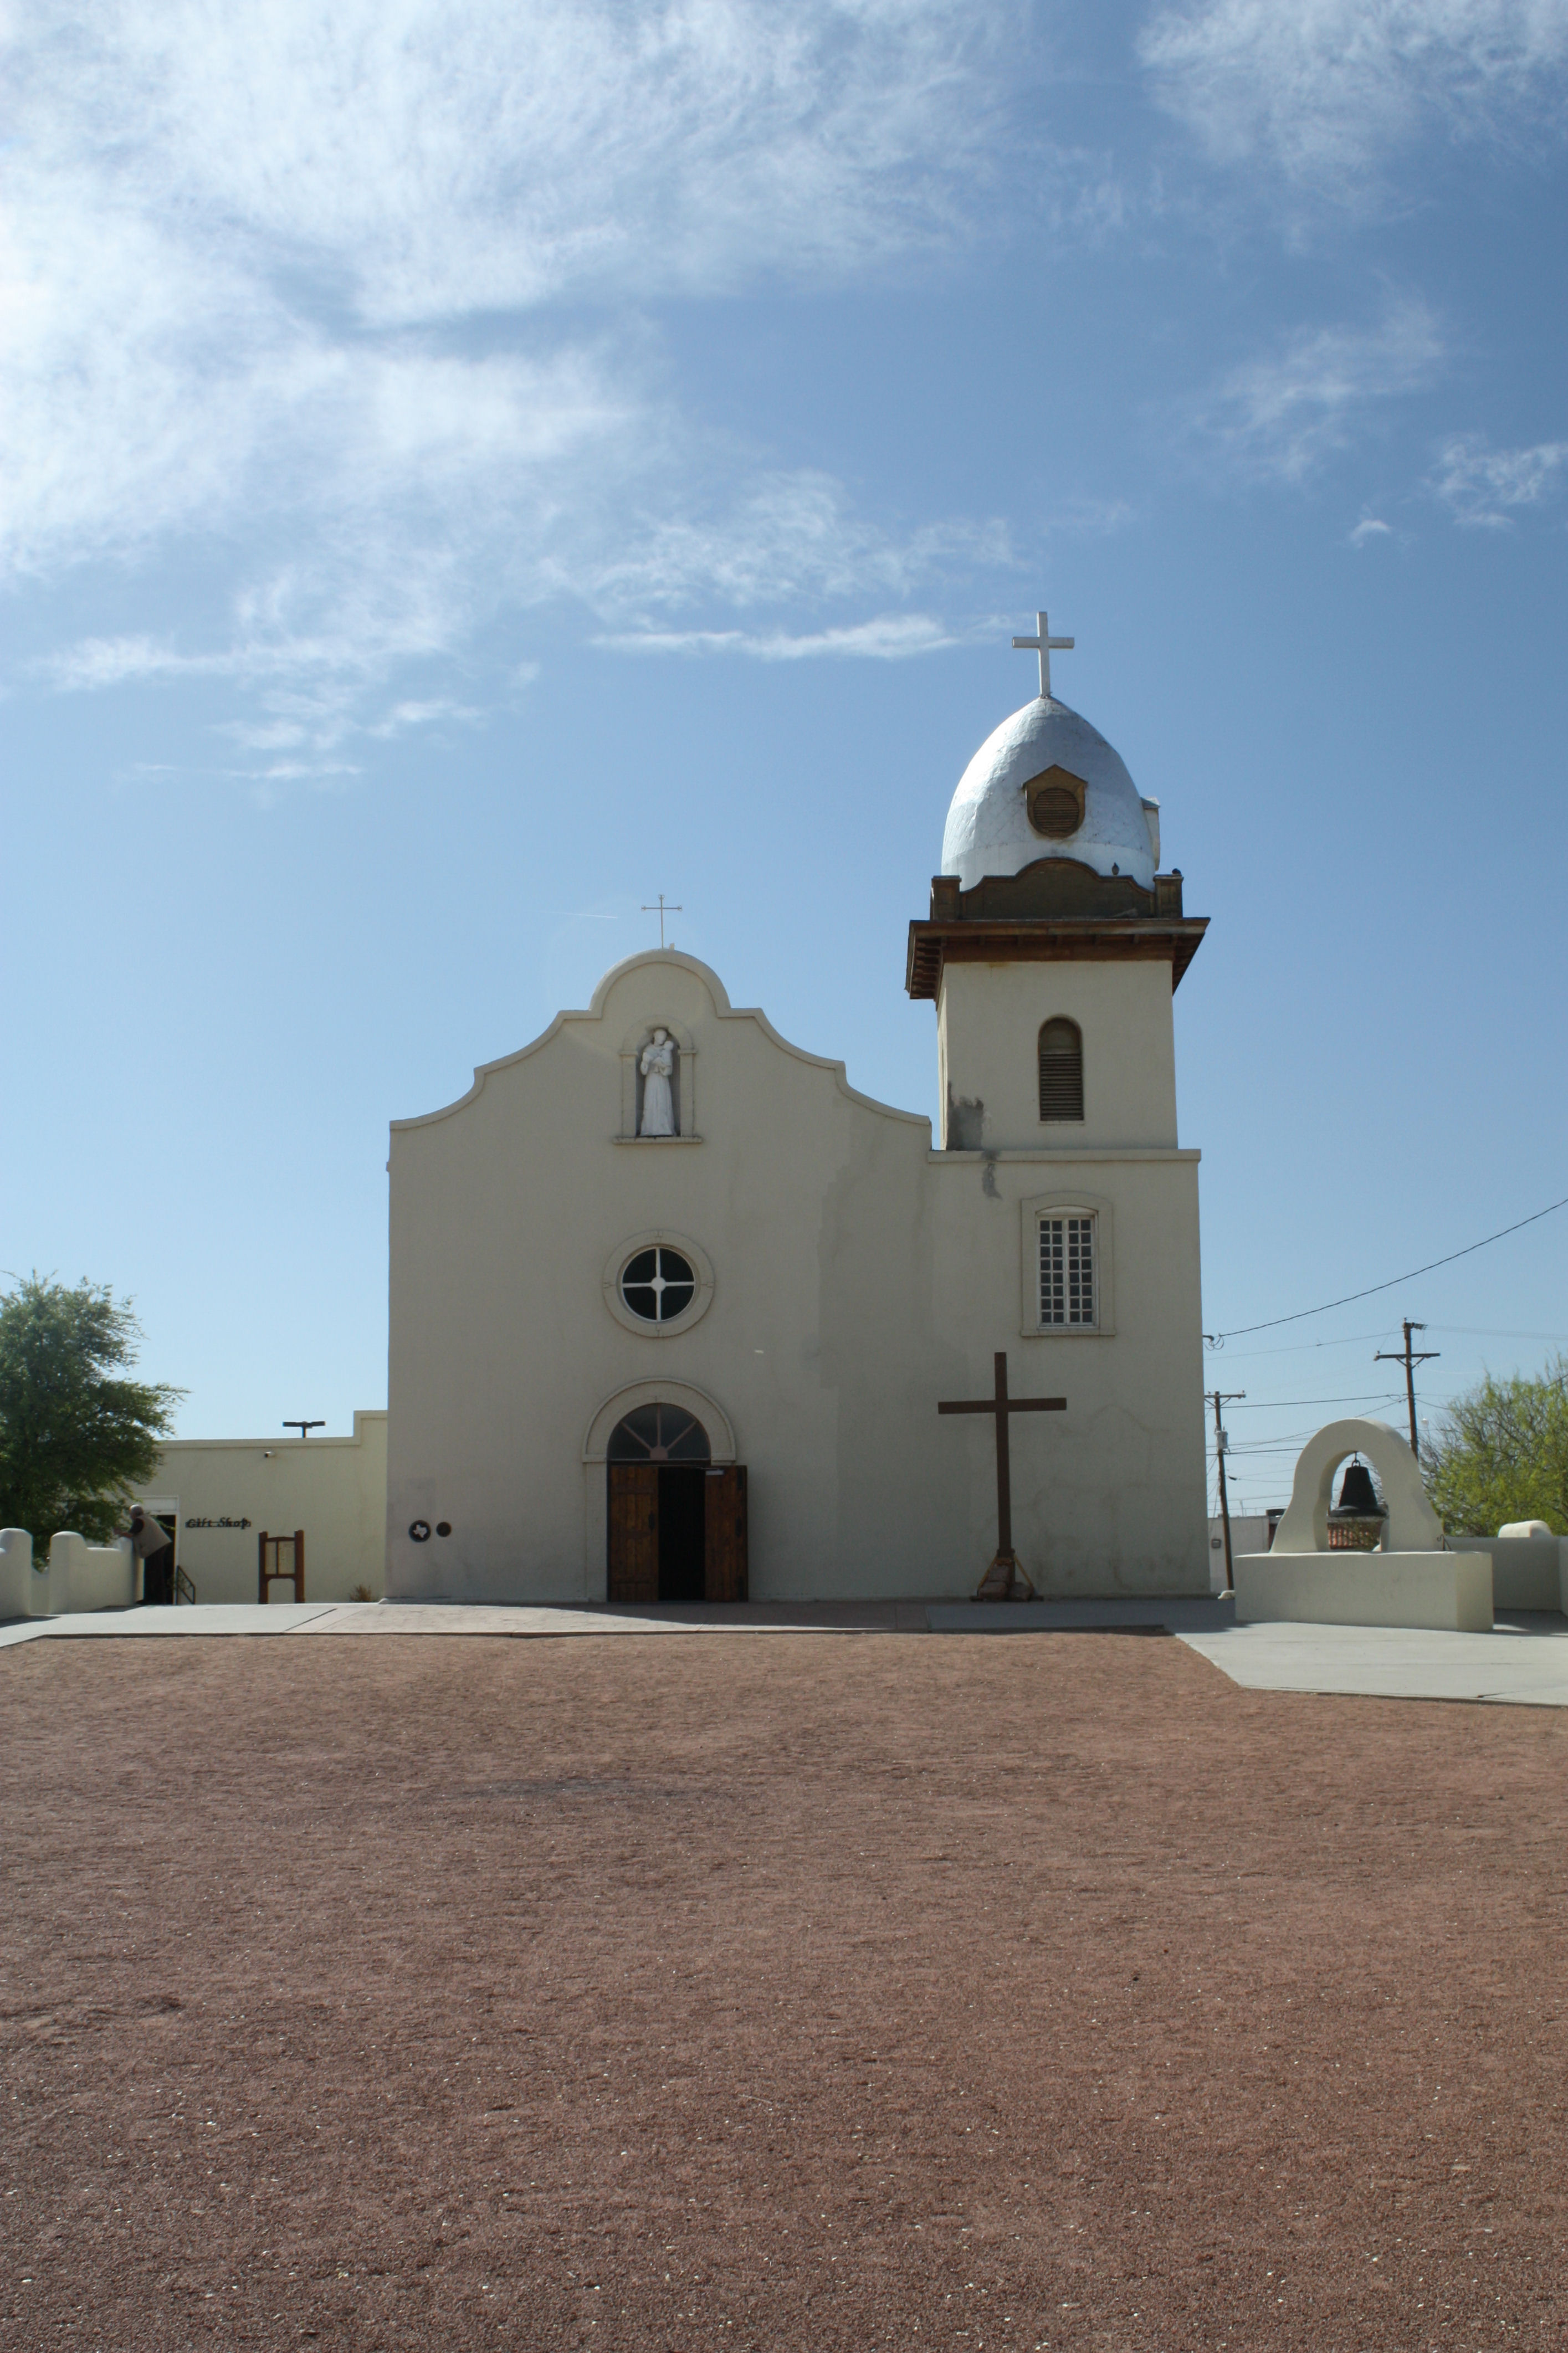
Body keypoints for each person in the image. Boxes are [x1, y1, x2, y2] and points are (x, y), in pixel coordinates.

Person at [120, 1505, 173, 1606]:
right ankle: (158, 1599)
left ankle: (151, 1599)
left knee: (151, 1573)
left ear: (134, 1514)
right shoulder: (146, 1518)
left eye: (130, 1514)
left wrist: (120, 1533)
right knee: (156, 1573)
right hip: (159, 1546)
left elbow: (131, 1534)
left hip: (155, 1548)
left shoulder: (139, 1521)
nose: (130, 1516)